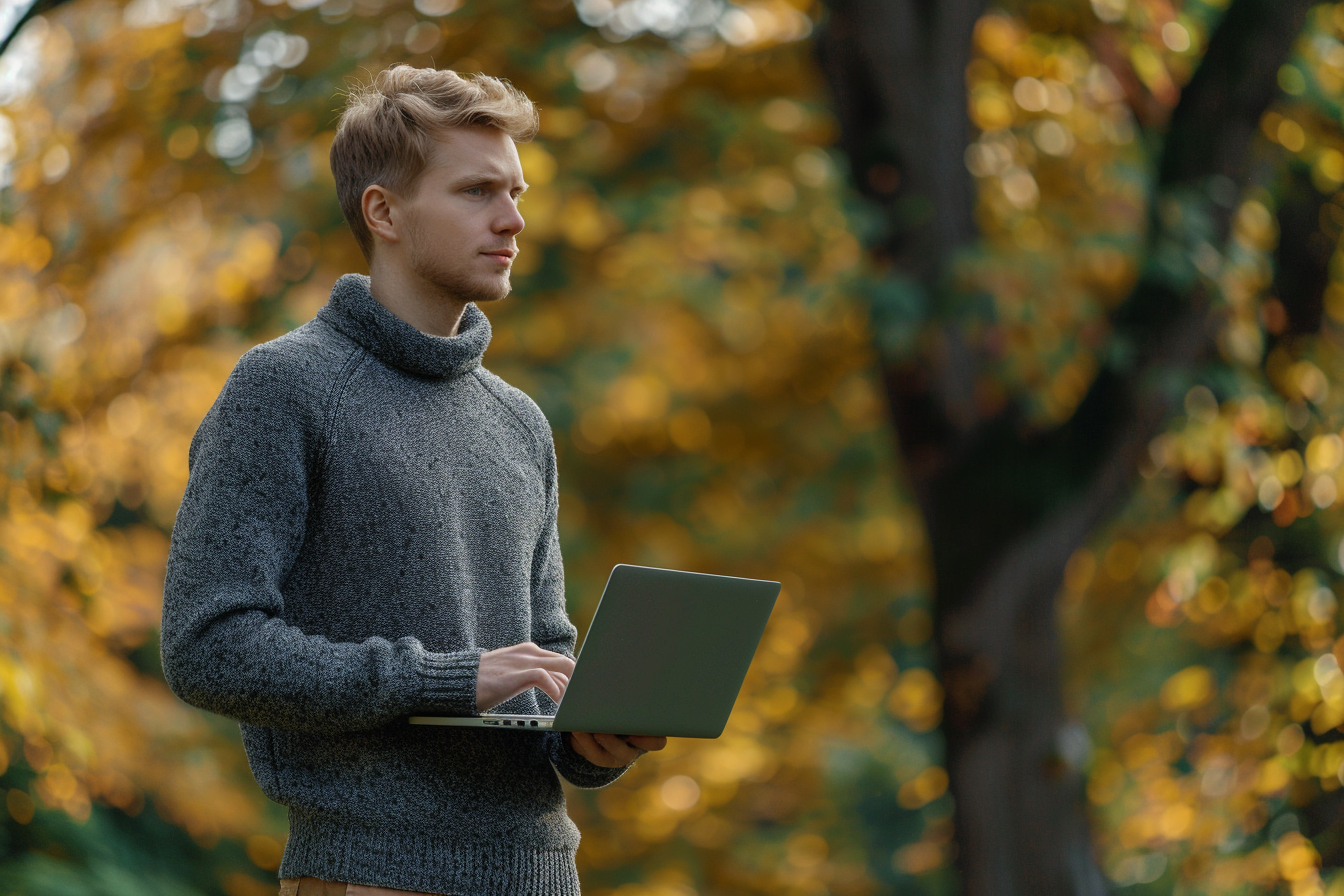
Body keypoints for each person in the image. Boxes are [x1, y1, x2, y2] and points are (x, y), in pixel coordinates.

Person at [159, 64, 666, 896]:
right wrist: (450, 678)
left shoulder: (519, 423)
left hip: (542, 875)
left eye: (517, 191)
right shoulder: (283, 388)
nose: (513, 220)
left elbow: (538, 662)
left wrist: (586, 739)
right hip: (373, 876)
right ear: (384, 211)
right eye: (477, 191)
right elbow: (208, 646)